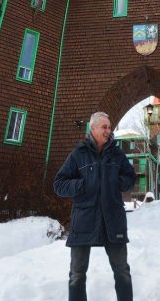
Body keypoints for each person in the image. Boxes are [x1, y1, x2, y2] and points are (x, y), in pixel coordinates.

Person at [54, 111, 136, 301]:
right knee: (77, 274)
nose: (108, 130)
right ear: (92, 128)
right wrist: (81, 185)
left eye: (109, 127)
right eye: (104, 127)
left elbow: (130, 178)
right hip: (84, 221)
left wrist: (117, 182)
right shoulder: (78, 153)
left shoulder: (117, 154)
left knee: (122, 271)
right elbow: (59, 184)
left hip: (113, 220)